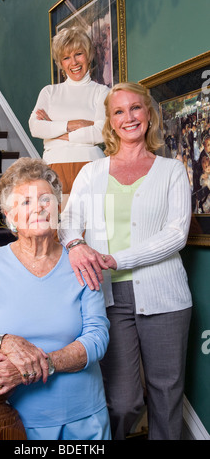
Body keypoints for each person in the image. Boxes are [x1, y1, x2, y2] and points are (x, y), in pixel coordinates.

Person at [58, 82, 193, 440]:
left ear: (148, 115)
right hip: (107, 298)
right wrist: (75, 245)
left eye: (136, 108)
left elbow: (177, 234)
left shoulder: (172, 170)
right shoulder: (92, 172)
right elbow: (68, 223)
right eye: (119, 111)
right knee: (123, 401)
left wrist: (117, 258)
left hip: (166, 298)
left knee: (166, 394)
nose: (128, 117)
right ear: (110, 122)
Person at [0, 157, 111, 441]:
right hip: (15, 424)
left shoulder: (80, 262)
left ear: (58, 208)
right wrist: (2, 341)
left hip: (85, 419)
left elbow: (97, 337)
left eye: (46, 199)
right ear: (10, 217)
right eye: (26, 203)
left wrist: (37, 366)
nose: (38, 208)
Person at [29, 26, 109, 206]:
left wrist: (54, 129)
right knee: (55, 229)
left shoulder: (102, 92)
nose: (73, 62)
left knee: (95, 229)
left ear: (88, 55)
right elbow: (35, 127)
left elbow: (102, 132)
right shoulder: (49, 92)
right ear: (60, 63)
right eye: (66, 57)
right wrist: (74, 124)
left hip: (92, 165)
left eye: (78, 54)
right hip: (53, 168)